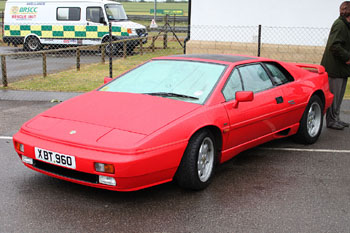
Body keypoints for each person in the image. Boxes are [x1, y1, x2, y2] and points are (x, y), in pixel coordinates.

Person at [321, 1, 350, 130]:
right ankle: (331, 121)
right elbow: (334, 45)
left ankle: (336, 118)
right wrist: (347, 57)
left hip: (341, 68)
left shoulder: (346, 25)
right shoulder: (340, 25)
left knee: (339, 96)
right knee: (334, 95)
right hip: (334, 68)